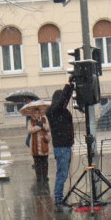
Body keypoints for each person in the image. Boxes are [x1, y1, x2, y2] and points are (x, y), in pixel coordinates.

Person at [46, 81, 76, 210]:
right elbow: (63, 99)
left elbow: (65, 99)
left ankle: (59, 199)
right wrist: (68, 87)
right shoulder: (53, 111)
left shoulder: (61, 111)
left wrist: (71, 87)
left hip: (65, 146)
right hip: (61, 147)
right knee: (62, 174)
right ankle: (58, 200)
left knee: (63, 174)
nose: (65, 103)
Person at [26, 109, 51, 185]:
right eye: (35, 113)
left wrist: (42, 125)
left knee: (45, 162)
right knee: (37, 163)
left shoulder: (44, 119)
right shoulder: (30, 121)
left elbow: (48, 128)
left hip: (44, 143)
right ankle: (39, 177)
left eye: (37, 113)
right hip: (35, 145)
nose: (36, 114)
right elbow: (30, 130)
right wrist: (38, 126)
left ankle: (45, 176)